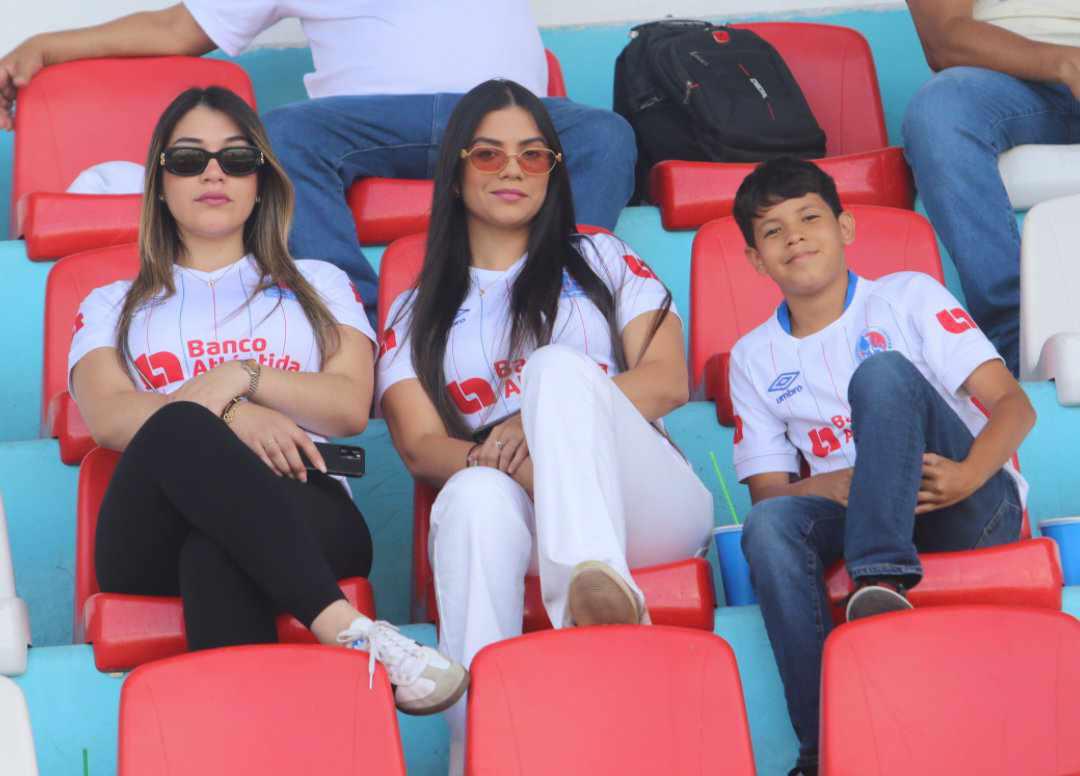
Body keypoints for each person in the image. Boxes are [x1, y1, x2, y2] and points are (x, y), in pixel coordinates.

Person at [68, 85, 467, 715]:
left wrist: (243, 374)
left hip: (307, 501)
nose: (213, 174)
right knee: (175, 426)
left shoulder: (320, 285)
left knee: (217, 551)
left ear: (262, 181)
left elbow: (347, 406)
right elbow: (113, 416)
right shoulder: (112, 305)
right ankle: (343, 626)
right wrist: (232, 412)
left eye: (237, 159)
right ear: (160, 183)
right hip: (148, 534)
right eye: (188, 160)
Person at [375, 79, 713, 774]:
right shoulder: (415, 313)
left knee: (556, 371)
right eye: (489, 154)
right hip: (521, 512)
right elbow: (418, 446)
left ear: (555, 171)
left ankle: (596, 585)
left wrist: (548, 419)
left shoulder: (602, 260)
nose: (511, 171)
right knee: (468, 498)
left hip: (642, 505)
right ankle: (484, 751)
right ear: (456, 167)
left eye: (533, 157)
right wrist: (520, 454)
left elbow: (666, 380)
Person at [0, 2, 636, 316]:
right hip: (371, 121)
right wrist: (47, 45)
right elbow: (180, 30)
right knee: (279, 135)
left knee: (607, 134)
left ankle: (559, 300)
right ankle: (355, 319)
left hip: (506, 120)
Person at [729, 157, 1035, 776]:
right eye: (773, 230)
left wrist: (971, 472)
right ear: (756, 261)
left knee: (885, 373)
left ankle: (881, 580)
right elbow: (771, 497)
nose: (794, 237)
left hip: (959, 499)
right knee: (765, 530)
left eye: (809, 217)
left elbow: (1014, 404)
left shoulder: (907, 297)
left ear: (845, 228)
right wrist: (850, 482)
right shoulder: (752, 355)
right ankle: (823, 747)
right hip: (855, 508)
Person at [903, 0, 1080, 376]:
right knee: (939, 113)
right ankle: (1019, 338)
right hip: (1005, 81)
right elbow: (943, 37)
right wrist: (1064, 62)